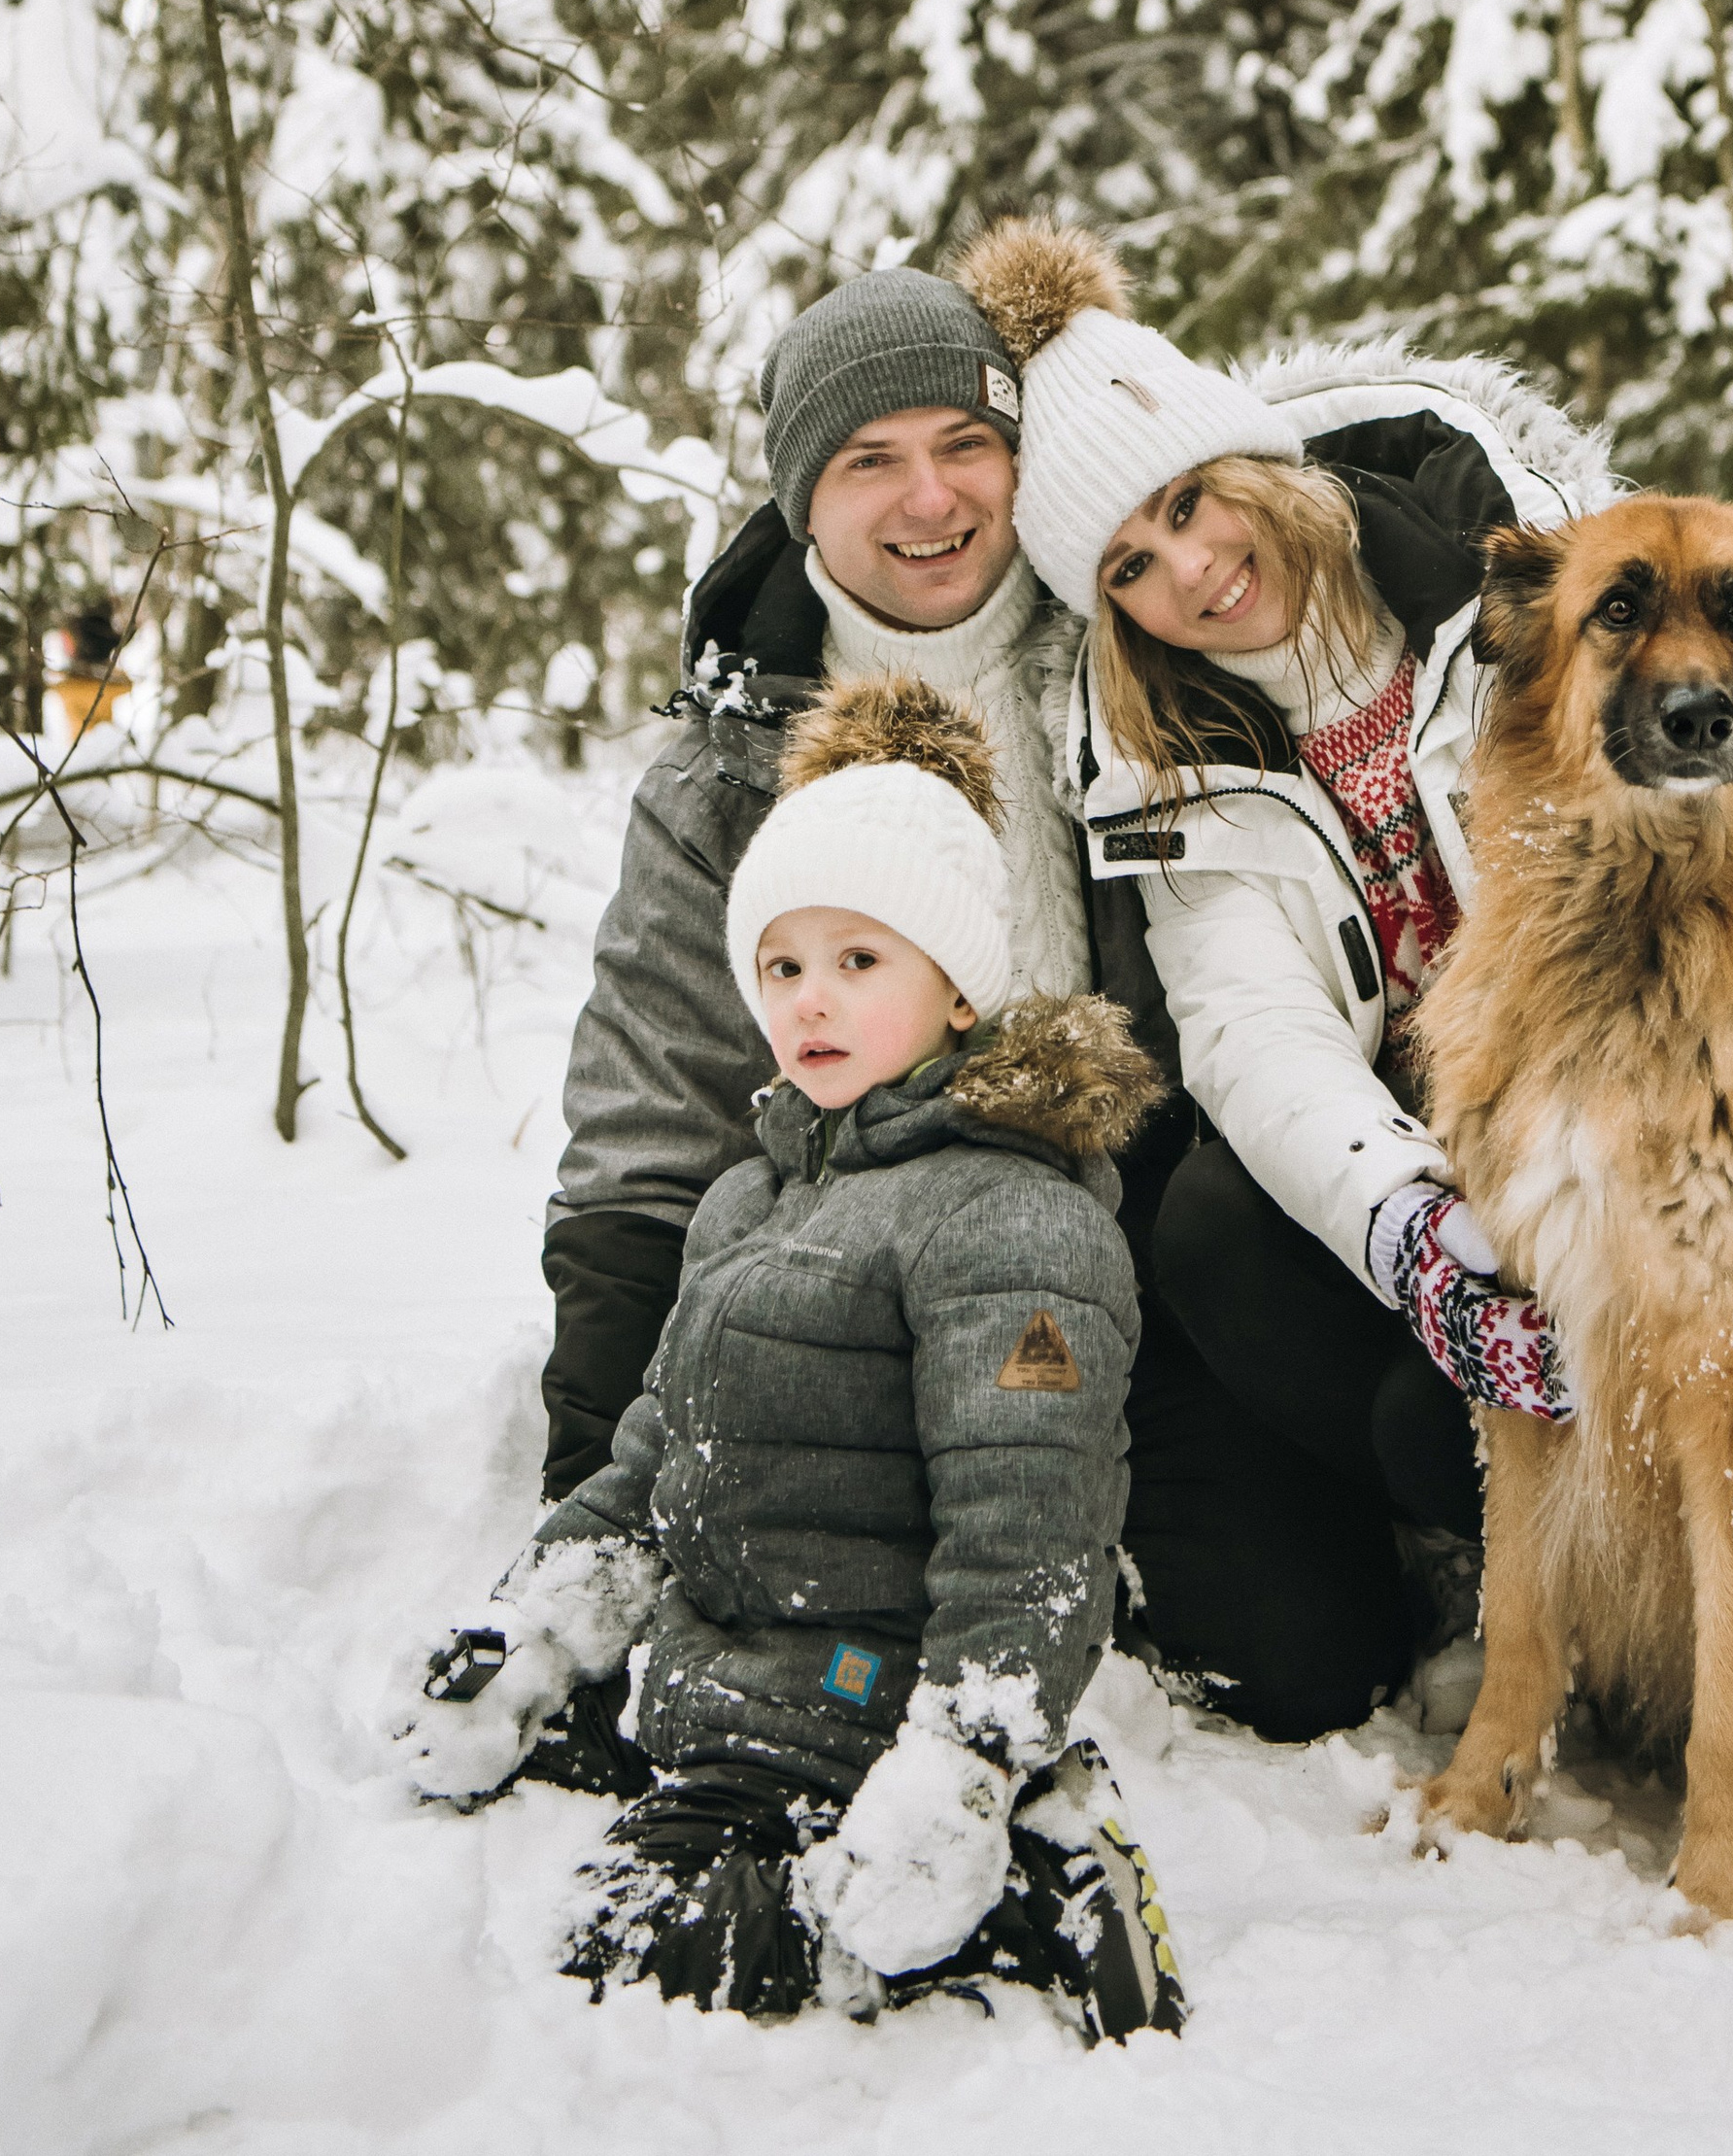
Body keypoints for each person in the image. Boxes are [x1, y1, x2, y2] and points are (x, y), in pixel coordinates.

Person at [954, 217, 1733, 1575]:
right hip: (1439, 1166)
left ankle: (1691, 1527)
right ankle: (1468, 1538)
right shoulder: (1166, 762)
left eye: (1190, 502)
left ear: (1250, 462)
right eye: (1129, 566)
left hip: (1626, 1105)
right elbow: (1256, 1034)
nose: (1189, 570)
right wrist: (1413, 1228)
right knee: (1226, 1242)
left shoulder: (1527, 595)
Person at [528, 259, 1420, 1744]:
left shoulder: (1140, 668)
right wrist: (592, 1479)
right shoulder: (729, 771)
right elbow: (646, 1121)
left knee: (1309, 1671)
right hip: (855, 1273)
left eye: (965, 447)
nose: (928, 497)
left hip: (1133, 1261)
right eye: (869, 462)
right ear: (800, 501)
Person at [404, 678, 1185, 2042]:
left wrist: (963, 1757)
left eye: (860, 961)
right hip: (719, 1674)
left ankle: (1037, 1871)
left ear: (959, 990)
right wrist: (535, 1633)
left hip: (861, 1703)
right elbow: (655, 1454)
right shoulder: (749, 1200)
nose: (811, 999)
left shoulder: (1012, 1222)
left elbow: (1032, 1533)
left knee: (670, 1963)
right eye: (782, 965)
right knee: (585, 1877)